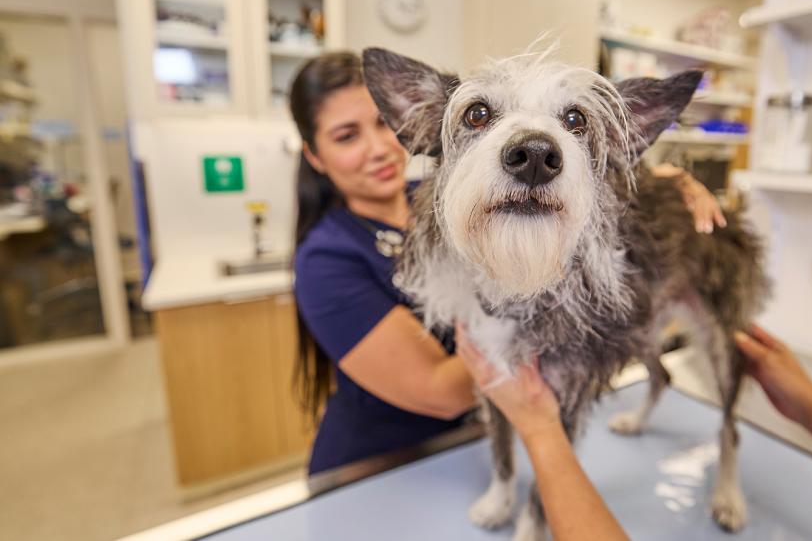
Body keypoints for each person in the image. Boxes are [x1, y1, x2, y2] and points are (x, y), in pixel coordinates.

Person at [456, 0, 812, 537]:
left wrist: (666, 176)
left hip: (705, 250)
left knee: (725, 363)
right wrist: (810, 404)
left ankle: (727, 454)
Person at [288, 52, 726, 474]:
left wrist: (669, 182)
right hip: (388, 462)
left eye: (383, 124)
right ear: (314, 155)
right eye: (347, 136)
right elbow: (442, 392)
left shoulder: (447, 187)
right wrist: (562, 330)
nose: (379, 148)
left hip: (491, 438)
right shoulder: (324, 259)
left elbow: (591, 191)